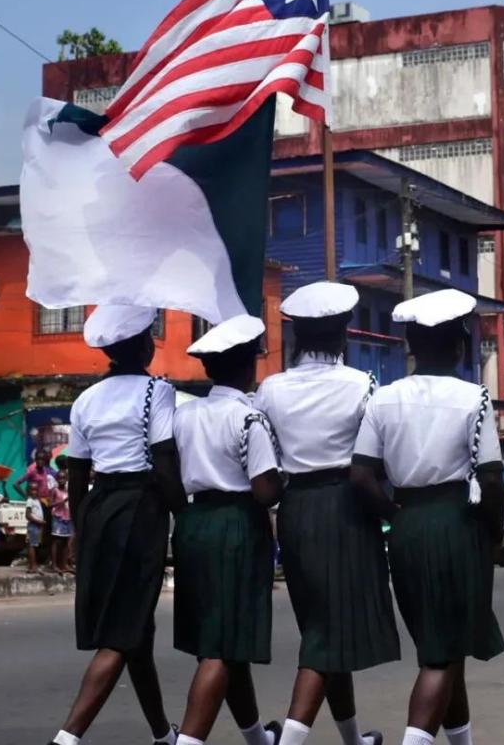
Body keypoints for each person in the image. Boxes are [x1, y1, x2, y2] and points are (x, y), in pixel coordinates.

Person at [351, 289, 504, 745]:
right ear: (459, 346)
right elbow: (492, 481)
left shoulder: (384, 398)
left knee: (440, 645)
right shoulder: (473, 398)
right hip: (455, 526)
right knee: (442, 656)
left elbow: (360, 475)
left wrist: (392, 512)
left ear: (411, 346)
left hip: (406, 527)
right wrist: (494, 535)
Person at [255, 282, 397, 745]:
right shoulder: (363, 385)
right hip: (346, 509)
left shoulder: (269, 389)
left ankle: (354, 739)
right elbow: (376, 460)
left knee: (324, 626)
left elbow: (267, 457)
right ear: (343, 334)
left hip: (295, 510)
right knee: (327, 635)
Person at [51, 305, 184, 745]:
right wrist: (184, 516)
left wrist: (77, 531)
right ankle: (67, 737)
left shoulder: (86, 398)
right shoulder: (156, 391)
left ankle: (163, 735)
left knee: (135, 633)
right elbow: (164, 463)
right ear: (143, 345)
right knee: (121, 632)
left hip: (99, 507)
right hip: (138, 508)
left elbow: (75, 473)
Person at [171, 314, 283, 745]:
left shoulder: (185, 416)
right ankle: (190, 741)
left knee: (223, 641)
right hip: (236, 526)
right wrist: (284, 481)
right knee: (220, 647)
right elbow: (264, 490)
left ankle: (258, 738)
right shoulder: (248, 418)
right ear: (247, 366)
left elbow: (168, 470)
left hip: (194, 524)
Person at [51, 468, 73, 574]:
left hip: (67, 518)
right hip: (58, 518)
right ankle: (54, 565)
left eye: (64, 478)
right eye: (59, 478)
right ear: (56, 479)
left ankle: (63, 565)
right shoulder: (55, 490)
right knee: (56, 541)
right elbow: (49, 505)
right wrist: (61, 502)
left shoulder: (67, 491)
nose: (62, 480)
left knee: (65, 542)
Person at [24, 480, 46, 574]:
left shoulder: (37, 500)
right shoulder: (29, 501)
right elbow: (28, 515)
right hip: (33, 525)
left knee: (34, 545)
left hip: (37, 526)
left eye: (36, 490)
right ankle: (33, 566)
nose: (34, 492)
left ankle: (32, 565)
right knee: (32, 546)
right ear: (29, 491)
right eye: (32, 490)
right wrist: (39, 521)